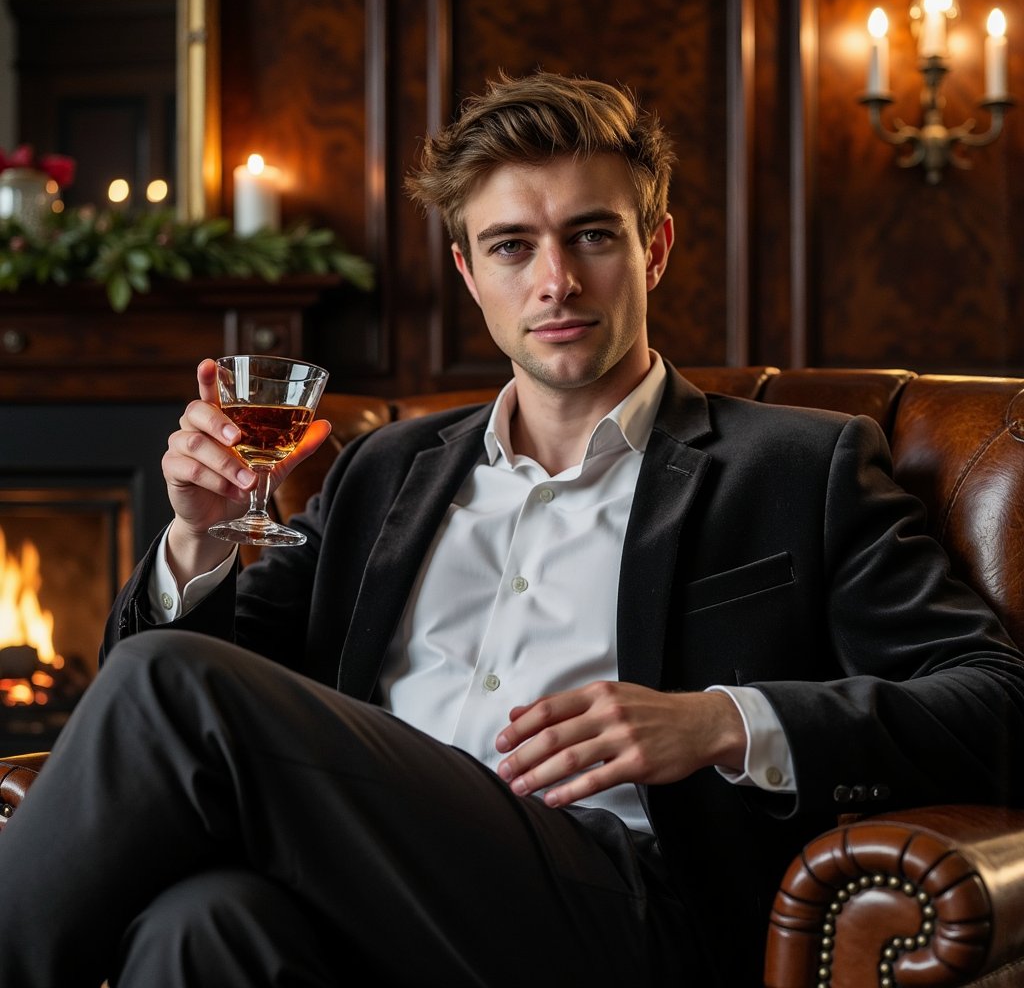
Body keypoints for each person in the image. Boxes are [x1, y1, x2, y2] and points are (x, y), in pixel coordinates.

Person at [0, 71, 1022, 988]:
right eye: (511, 245)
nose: (556, 282)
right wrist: (199, 544)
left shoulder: (802, 466)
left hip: (627, 912)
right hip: (371, 887)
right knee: (200, 925)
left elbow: (995, 706)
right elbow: (162, 724)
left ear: (652, 249)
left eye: (591, 235)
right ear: (467, 272)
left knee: (174, 686)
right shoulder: (382, 469)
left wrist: (719, 719)